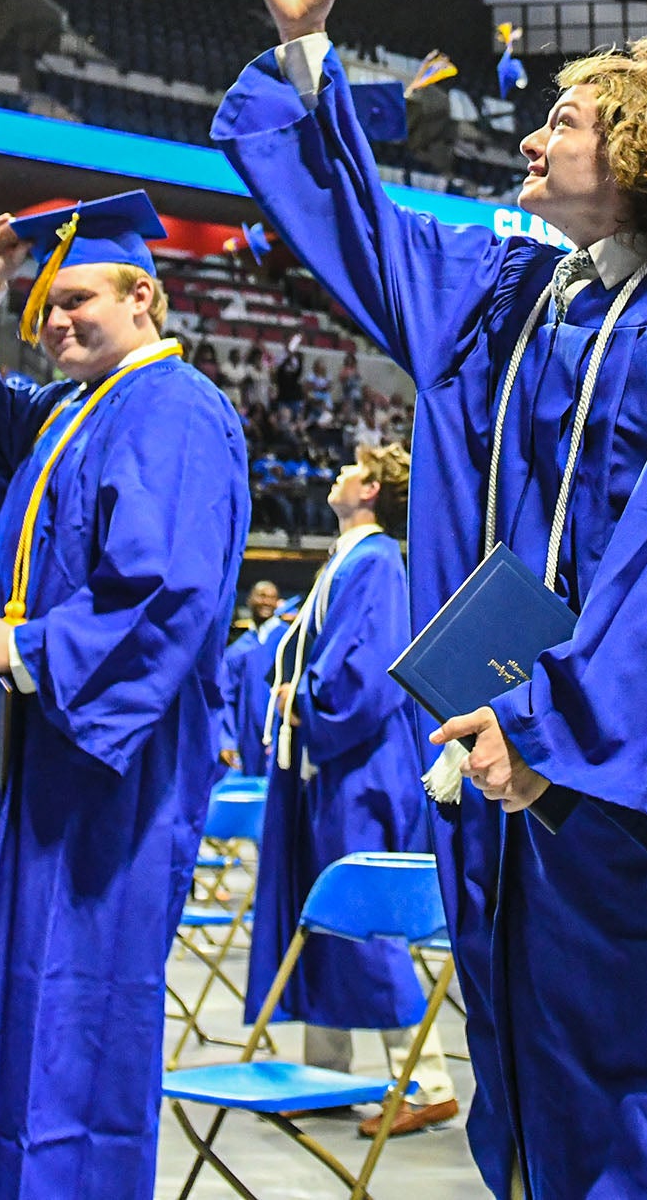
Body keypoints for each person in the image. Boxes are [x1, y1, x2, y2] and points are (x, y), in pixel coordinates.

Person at [215, 0, 647, 1198]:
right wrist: (310, 55)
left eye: (569, 119)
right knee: (536, 1110)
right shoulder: (519, 301)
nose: (534, 138)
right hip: (523, 793)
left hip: (635, 802)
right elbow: (368, 237)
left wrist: (551, 729)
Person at [0, 187, 247, 1195]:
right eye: (43, 306)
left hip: (104, 765)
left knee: (73, 1022)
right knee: (7, 1006)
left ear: (144, 293)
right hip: (33, 760)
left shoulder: (173, 408)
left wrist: (24, 647)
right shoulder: (70, 408)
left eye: (78, 299)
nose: (54, 321)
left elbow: (166, 589)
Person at [244, 442, 455, 1137]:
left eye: (349, 467)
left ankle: (428, 1078)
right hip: (332, 766)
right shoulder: (347, 559)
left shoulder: (378, 561)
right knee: (326, 914)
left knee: (366, 919)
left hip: (359, 767)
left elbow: (369, 664)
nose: (333, 472)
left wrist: (306, 697)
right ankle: (328, 1075)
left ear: (370, 489)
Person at [217, 578, 290, 774]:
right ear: (249, 600)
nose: (266, 601)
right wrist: (227, 740)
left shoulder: (289, 640)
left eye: (271, 597)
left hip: (282, 731)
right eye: (261, 596)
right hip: (247, 735)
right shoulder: (238, 650)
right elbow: (226, 697)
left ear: (278, 603)